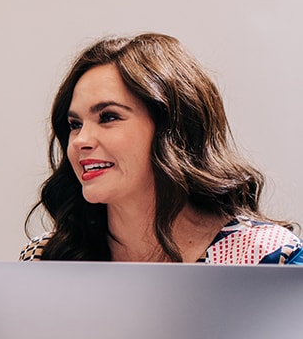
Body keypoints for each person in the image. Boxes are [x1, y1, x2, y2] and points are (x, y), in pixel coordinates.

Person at [22, 33, 302, 264]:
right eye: (75, 124)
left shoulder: (267, 257)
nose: (81, 140)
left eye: (108, 117)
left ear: (173, 130)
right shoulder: (46, 260)